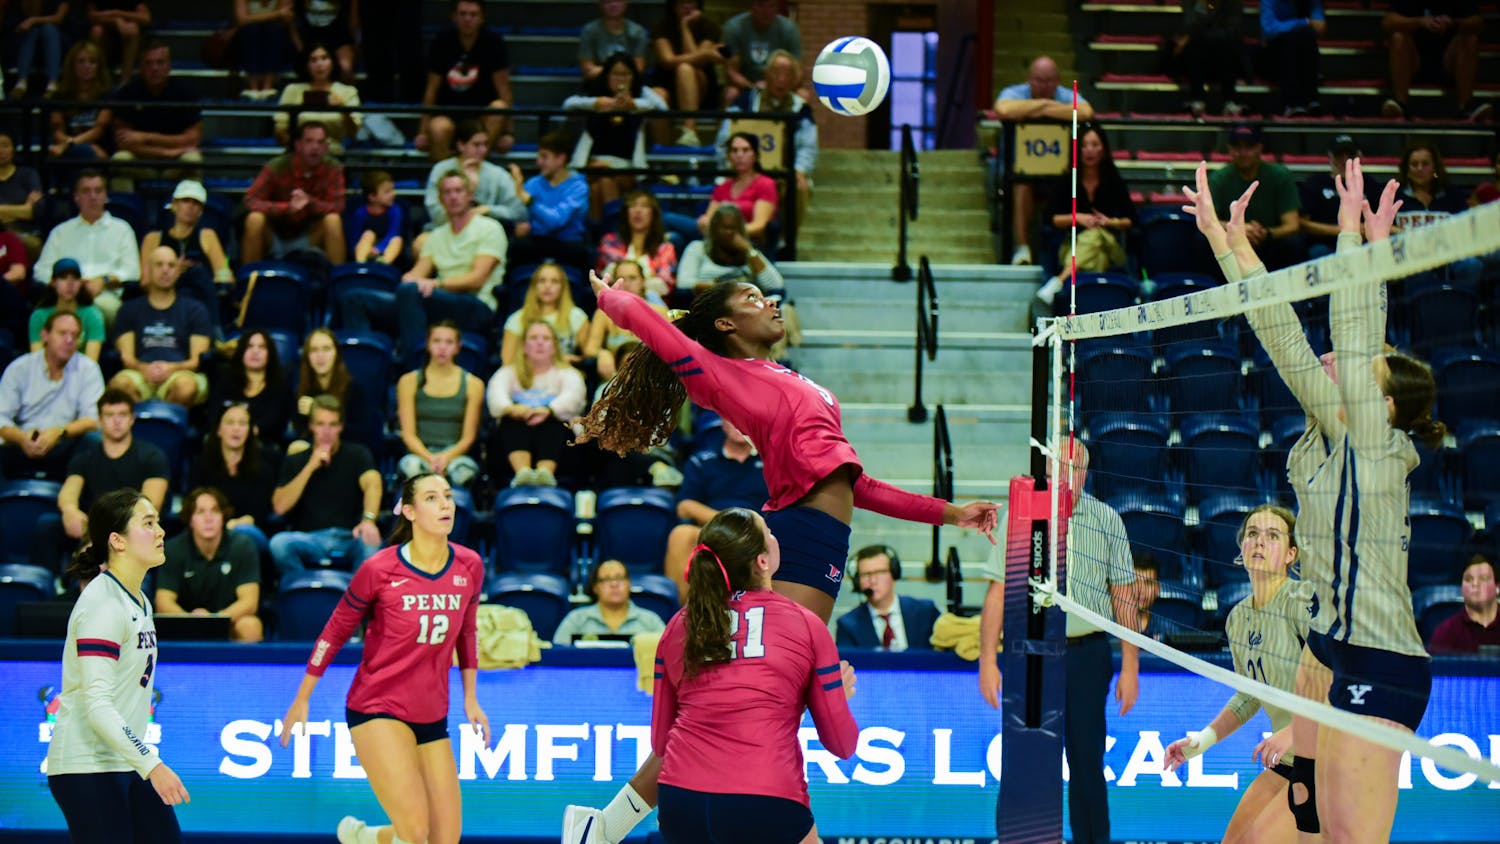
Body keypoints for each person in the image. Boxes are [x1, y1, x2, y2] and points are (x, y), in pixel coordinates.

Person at [563, 270, 997, 844]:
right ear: (725, 325)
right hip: (800, 537)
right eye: (750, 297)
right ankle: (605, 830)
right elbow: (658, 332)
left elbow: (854, 483)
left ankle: (604, 828)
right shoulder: (721, 374)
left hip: (818, 538)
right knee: (751, 704)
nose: (768, 300)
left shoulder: (790, 380)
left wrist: (950, 513)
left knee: (758, 703)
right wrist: (611, 298)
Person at [1186, 157, 1443, 842]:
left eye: (1364, 372)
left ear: (1382, 403)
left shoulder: (1382, 450)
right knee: (1300, 825)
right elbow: (1283, 336)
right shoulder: (1332, 429)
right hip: (1329, 647)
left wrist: (1356, 242)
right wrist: (1228, 244)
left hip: (1382, 663)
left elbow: (1352, 335)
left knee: (1349, 838)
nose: (1340, 364)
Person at [280, 472, 488, 844]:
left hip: (432, 712)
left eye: (447, 496)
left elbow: (467, 633)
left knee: (446, 838)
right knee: (416, 832)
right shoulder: (380, 568)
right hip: (377, 706)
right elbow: (335, 631)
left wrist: (471, 697)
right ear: (408, 511)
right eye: (431, 498)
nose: (445, 504)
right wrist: (302, 697)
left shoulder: (469, 565)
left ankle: (365, 837)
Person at [641, 506, 857, 844]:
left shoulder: (679, 624)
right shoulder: (805, 623)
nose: (775, 536)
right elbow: (842, 745)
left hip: (681, 802)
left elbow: (659, 741)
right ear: (762, 561)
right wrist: (833, 699)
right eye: (769, 532)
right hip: (765, 798)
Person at [976, 439, 1138, 844]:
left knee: (1086, 762)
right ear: (1049, 471)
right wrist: (986, 661)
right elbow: (998, 593)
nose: (1069, 475)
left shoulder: (1106, 519)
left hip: (1087, 656)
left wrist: (1131, 666)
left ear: (1086, 472)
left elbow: (1124, 596)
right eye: (1061, 467)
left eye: (1077, 467)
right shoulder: (1023, 516)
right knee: (1024, 760)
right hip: (1031, 657)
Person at [46, 489, 189, 844]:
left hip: (125, 760)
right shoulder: (102, 604)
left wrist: (143, 761)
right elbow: (97, 705)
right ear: (117, 541)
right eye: (148, 523)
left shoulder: (139, 598)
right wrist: (152, 764)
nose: (161, 532)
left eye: (158, 523)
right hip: (87, 766)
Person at [1162, 504, 1311, 843]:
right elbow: (1249, 693)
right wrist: (1202, 742)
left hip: (1328, 756)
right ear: (1242, 548)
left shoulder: (1302, 601)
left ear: (1291, 554)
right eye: (1253, 534)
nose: (1260, 541)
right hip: (1290, 759)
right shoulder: (1238, 617)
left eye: (1273, 536)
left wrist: (1296, 731)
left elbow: (1338, 680)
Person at [346, 168, 505, 361]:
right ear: (440, 199)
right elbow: (417, 272)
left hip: (476, 305)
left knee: (410, 293)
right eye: (447, 192)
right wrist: (409, 279)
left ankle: (412, 366)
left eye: (458, 191)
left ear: (470, 195)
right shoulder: (437, 236)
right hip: (437, 302)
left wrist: (436, 284)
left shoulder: (489, 228)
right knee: (355, 299)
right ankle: (368, 363)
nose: (453, 197)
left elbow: (477, 279)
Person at [33, 388, 169, 570]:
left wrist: (103, 539)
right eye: (110, 415)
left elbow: (152, 505)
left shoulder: (152, 456)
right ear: (99, 420)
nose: (116, 421)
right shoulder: (84, 458)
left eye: (122, 414)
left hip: (132, 530)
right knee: (47, 526)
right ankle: (48, 589)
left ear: (132, 419)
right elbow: (69, 491)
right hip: (91, 528)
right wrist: (70, 510)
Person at [992, 56, 1094, 265]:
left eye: (1049, 81)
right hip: (1021, 169)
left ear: (1057, 81)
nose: (1044, 85)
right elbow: (1003, 109)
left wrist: (1040, 107)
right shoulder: (1014, 93)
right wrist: (1047, 105)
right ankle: (1022, 249)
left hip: (1060, 170)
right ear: (1030, 79)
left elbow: (1085, 112)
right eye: (1039, 80)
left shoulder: (1064, 95)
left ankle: (1059, 254)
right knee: (1022, 183)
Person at [270, 394, 382, 578]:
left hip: (349, 536)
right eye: (321, 424)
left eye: (333, 424)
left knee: (371, 542)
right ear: (311, 426)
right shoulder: (296, 459)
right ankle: (304, 594)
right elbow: (280, 506)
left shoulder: (357, 454)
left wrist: (368, 520)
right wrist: (310, 467)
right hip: (308, 538)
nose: (326, 431)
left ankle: (356, 603)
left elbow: (373, 484)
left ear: (341, 427)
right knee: (279, 543)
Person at [662, 417, 766, 600]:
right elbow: (684, 506)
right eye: (734, 419)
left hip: (757, 532)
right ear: (723, 425)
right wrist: (729, 521)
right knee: (681, 534)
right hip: (712, 530)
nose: (739, 426)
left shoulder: (771, 462)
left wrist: (750, 525)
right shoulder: (702, 461)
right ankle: (681, 615)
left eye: (743, 419)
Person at [714, 50, 816, 235]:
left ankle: (787, 242)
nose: (782, 79)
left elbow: (807, 146)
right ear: (766, 74)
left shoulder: (800, 109)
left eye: (788, 74)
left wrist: (800, 169)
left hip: (782, 174)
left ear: (795, 79)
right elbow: (724, 138)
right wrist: (727, 167)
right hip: (744, 171)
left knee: (800, 187)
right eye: (777, 73)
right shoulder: (745, 103)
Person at [1036, 123, 1135, 307]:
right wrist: (1078, 218)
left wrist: (1108, 222)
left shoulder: (1113, 180)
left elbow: (1131, 220)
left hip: (1111, 245)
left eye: (1095, 145)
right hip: (1072, 244)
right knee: (1096, 252)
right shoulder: (1067, 180)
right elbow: (1051, 218)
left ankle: (1059, 282)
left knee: (1096, 234)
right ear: (1077, 149)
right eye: (1084, 145)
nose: (1089, 151)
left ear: (1104, 150)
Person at [0, 310, 103, 481]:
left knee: (94, 442)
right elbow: (1, 417)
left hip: (65, 444)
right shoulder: (20, 368)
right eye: (62, 333)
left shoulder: (88, 369)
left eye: (75, 335)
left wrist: (59, 432)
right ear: (45, 335)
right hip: (22, 442)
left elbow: (92, 419)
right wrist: (22, 438)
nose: (69, 340)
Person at [564, 52, 668, 220]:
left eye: (626, 74)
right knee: (597, 186)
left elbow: (662, 106)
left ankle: (606, 232)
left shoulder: (640, 100)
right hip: (594, 164)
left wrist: (634, 104)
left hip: (627, 167)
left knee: (604, 182)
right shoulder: (596, 97)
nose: (621, 80)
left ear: (633, 77)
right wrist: (596, 103)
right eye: (616, 74)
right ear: (607, 75)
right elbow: (568, 104)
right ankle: (605, 233)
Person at [484, 320, 587, 487]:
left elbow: (575, 398)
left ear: (554, 346)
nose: (539, 342)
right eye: (533, 338)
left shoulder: (568, 373)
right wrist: (512, 409)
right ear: (524, 346)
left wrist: (548, 410)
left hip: (561, 442)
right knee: (512, 421)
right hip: (513, 436)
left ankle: (545, 474)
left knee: (554, 421)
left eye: (546, 338)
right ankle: (522, 474)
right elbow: (495, 398)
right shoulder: (508, 372)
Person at [157, 487, 265, 643]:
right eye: (200, 512)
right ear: (190, 519)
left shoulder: (243, 545)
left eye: (214, 511)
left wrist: (214, 620)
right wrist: (192, 621)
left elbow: (249, 602)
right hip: (186, 622)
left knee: (250, 625)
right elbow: (163, 602)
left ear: (223, 516)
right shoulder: (174, 549)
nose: (208, 518)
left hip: (228, 619)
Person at [108, 245, 212, 408]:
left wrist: (170, 369)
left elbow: (196, 360)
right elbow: (126, 358)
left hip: (180, 372)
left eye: (171, 265)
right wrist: (144, 369)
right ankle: (141, 429)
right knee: (120, 385)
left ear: (178, 271)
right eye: (159, 265)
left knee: (185, 387)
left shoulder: (195, 310)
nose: (165, 270)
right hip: (140, 373)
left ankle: (166, 430)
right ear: (148, 270)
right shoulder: (128, 309)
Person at [33, 170, 139, 325]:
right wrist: (69, 283)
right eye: (86, 191)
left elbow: (132, 271)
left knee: (108, 310)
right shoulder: (61, 232)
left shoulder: (122, 229)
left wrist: (103, 281)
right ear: (76, 197)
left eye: (98, 190)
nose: (93, 196)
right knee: (40, 315)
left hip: (105, 295)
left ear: (106, 195)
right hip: (64, 296)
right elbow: (41, 271)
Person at [242, 120, 348, 265]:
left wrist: (311, 203)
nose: (315, 147)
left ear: (326, 147)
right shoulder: (276, 167)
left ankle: (338, 281)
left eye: (320, 142)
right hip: (275, 235)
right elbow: (250, 200)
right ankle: (248, 280)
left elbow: (338, 205)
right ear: (298, 145)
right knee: (254, 218)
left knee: (333, 220)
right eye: (309, 141)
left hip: (311, 236)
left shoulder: (334, 169)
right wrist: (286, 208)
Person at [419, 0, 514, 161]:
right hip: (448, 113)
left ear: (482, 18)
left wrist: (508, 133)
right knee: (438, 127)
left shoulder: (493, 42)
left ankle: (477, 169)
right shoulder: (442, 41)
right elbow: (431, 89)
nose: (468, 19)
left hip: (481, 115)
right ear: (454, 17)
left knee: (499, 107)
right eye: (463, 14)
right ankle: (446, 179)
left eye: (473, 14)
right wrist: (422, 131)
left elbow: (504, 90)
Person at [101, 41, 205, 186]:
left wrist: (144, 137)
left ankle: (189, 208)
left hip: (174, 163)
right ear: (141, 67)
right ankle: (124, 207)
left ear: (169, 66)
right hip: (142, 163)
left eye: (160, 62)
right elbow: (123, 143)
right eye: (149, 63)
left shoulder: (186, 93)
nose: (154, 68)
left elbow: (192, 139)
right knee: (121, 159)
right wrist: (167, 152)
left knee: (193, 159)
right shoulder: (127, 93)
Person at [139, 179, 233, 336]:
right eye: (186, 201)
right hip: (164, 295)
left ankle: (213, 330)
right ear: (175, 205)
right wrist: (175, 273)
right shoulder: (153, 239)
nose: (191, 207)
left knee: (198, 274)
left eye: (196, 203)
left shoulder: (208, 236)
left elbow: (224, 276)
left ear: (201, 210)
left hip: (199, 298)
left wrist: (223, 275)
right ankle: (217, 334)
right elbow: (145, 282)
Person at [396, 322, 484, 488]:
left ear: (458, 347)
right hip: (419, 454)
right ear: (428, 344)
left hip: (455, 456)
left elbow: (468, 437)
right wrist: (430, 458)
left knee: (463, 472)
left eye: (449, 342)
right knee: (412, 468)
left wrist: (445, 458)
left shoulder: (473, 384)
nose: (442, 347)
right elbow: (408, 434)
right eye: (437, 341)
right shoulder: (408, 382)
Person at [189, 402, 282, 556]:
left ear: (250, 431)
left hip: (250, 535)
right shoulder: (201, 466)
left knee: (243, 533)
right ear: (219, 429)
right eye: (230, 422)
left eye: (242, 423)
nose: (236, 429)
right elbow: (193, 503)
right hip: (210, 528)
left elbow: (257, 514)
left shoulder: (263, 470)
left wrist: (233, 525)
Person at [1210, 123, 1305, 271]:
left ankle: (1293, 291)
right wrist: (1239, 230)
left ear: (1259, 148)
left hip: (1269, 241)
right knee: (1202, 240)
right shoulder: (1218, 179)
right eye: (1237, 147)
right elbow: (1209, 221)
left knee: (1294, 243)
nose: (1242, 152)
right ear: (1229, 149)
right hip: (1230, 244)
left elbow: (1292, 225)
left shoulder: (1280, 175)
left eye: (1248, 147)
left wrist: (1266, 233)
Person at [1393, 139, 1482, 292]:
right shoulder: (1395, 195)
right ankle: (1420, 313)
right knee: (1419, 268)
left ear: (1434, 167)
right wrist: (1406, 233)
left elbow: (1466, 226)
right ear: (1407, 169)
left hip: (1449, 252)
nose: (1420, 169)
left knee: (1472, 265)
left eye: (1425, 164)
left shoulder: (1452, 195)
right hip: (1410, 254)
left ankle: (1459, 308)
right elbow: (1380, 225)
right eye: (1414, 164)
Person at [1381, 0, 1490, 121]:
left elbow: (1478, 22)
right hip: (1414, 61)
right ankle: (1401, 104)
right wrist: (1420, 22)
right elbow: (1388, 22)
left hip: (1449, 62)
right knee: (1398, 37)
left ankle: (1466, 107)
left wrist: (1454, 23)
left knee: (1470, 38)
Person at [420, 121, 527, 242]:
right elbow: (434, 208)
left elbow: (518, 211)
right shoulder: (441, 170)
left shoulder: (498, 174)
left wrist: (489, 210)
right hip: (444, 229)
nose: (482, 150)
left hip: (484, 234)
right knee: (421, 242)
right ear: (461, 145)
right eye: (476, 145)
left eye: (485, 144)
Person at [507, 131, 594, 274]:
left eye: (544, 157)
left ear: (560, 158)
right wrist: (518, 224)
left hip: (568, 244)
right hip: (537, 240)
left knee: (579, 252)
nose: (538, 162)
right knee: (517, 246)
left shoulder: (579, 187)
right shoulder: (533, 184)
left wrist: (529, 201)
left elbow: (556, 221)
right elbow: (517, 213)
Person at [835, 544, 940, 651]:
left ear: (894, 574)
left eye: (880, 572)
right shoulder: (848, 625)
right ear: (857, 582)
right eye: (866, 574)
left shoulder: (926, 612)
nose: (873, 581)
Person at [650, 0, 725, 145]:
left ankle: (689, 131)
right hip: (668, 85)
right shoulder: (662, 27)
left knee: (685, 68)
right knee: (657, 95)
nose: (687, 6)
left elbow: (699, 63)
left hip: (700, 86)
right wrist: (707, 54)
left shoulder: (709, 27)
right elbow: (667, 60)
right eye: (682, 3)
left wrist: (685, 28)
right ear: (674, 5)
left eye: (691, 2)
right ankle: (664, 154)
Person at [1299, 134, 1380, 259]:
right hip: (1325, 245)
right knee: (1319, 253)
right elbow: (1303, 223)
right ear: (1330, 156)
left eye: (1350, 155)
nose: (1345, 160)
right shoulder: (1315, 183)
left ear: (1359, 156)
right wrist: (1345, 231)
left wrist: (1368, 227)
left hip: (1364, 244)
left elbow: (1381, 218)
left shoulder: (1371, 184)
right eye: (1339, 155)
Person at [274, 41, 364, 152]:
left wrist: (343, 109)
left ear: (333, 63)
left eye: (324, 58)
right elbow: (280, 131)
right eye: (313, 60)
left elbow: (354, 134)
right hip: (298, 152)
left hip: (332, 152)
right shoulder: (292, 90)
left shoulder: (347, 91)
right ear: (306, 65)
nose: (319, 64)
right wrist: (300, 147)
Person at [553, 559, 667, 645]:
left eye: (620, 578)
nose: (614, 584)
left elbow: (667, 656)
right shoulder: (576, 620)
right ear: (595, 587)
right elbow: (558, 656)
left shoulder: (651, 621)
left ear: (629, 584)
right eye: (606, 579)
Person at [210, 329, 293, 443]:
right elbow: (214, 414)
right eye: (250, 346)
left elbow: (276, 421)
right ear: (242, 351)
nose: (255, 351)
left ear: (270, 353)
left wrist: (245, 434)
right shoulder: (226, 380)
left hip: (264, 444)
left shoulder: (280, 384)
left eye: (262, 347)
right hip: (226, 442)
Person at [582, 260, 662, 379]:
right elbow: (590, 349)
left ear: (643, 282)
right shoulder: (603, 313)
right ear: (614, 282)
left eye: (632, 278)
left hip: (652, 377)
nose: (627, 283)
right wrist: (602, 353)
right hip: (614, 378)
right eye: (621, 278)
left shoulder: (660, 312)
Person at [678, 204, 784, 294]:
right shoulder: (698, 248)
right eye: (724, 228)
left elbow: (776, 286)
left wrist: (749, 251)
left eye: (733, 228)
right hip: (710, 303)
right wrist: (723, 289)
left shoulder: (750, 252)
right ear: (714, 229)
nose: (729, 233)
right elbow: (683, 283)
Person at [500, 261, 590, 366]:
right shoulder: (517, 319)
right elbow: (507, 363)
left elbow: (589, 359)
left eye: (554, 281)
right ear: (534, 286)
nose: (547, 286)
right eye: (542, 281)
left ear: (563, 287)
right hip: (526, 377)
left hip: (564, 376)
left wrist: (574, 361)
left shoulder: (577, 316)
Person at [290, 328, 367, 448]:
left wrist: (317, 410)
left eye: (326, 349)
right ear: (307, 356)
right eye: (314, 350)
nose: (320, 356)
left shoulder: (353, 388)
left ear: (337, 353)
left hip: (345, 449)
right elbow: (300, 432)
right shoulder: (302, 390)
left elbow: (362, 432)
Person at [698, 132, 777, 243]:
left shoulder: (765, 184)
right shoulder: (723, 186)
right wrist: (705, 223)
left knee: (670, 220)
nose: (739, 155)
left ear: (755, 155)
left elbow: (759, 226)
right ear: (729, 156)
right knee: (677, 238)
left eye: (745, 150)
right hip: (718, 241)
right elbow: (709, 218)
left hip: (746, 241)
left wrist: (727, 232)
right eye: (735, 151)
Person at [720, 0, 803, 105]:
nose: (766, 11)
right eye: (760, 5)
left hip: (780, 85)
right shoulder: (732, 28)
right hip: (745, 87)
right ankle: (727, 122)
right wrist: (752, 86)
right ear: (751, 6)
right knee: (731, 94)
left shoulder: (790, 29)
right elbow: (731, 71)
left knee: (802, 95)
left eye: (771, 6)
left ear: (777, 8)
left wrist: (777, 86)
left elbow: (798, 72)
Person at [597, 189, 678, 297]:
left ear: (653, 213)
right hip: (616, 299)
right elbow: (606, 277)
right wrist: (649, 277)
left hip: (652, 302)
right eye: (633, 205)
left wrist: (625, 278)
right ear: (626, 212)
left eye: (644, 206)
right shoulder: (610, 242)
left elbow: (665, 286)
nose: (638, 210)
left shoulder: (665, 248)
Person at [1174, 0, 1247, 117]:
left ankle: (1229, 100)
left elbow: (1234, 27)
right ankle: (1197, 98)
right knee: (1195, 44)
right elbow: (1191, 24)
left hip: (1223, 53)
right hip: (1197, 53)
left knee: (1227, 44)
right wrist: (1206, 4)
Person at [48, 41, 115, 162]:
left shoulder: (108, 94)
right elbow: (57, 131)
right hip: (68, 151)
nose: (87, 66)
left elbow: (99, 130)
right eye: (81, 61)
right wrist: (72, 145)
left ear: (99, 66)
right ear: (72, 65)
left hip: (99, 150)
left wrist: (69, 144)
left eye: (92, 62)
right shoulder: (59, 95)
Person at [29, 259, 106, 361]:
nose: (70, 283)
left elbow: (91, 361)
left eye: (75, 278)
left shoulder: (93, 315)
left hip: (82, 372)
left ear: (81, 283)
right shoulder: (39, 316)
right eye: (63, 278)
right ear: (53, 283)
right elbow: (37, 359)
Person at [1259, 0, 1324, 115]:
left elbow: (1319, 25)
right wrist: (1303, 22)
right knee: (1294, 37)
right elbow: (1268, 29)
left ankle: (1311, 99)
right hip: (1273, 55)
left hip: (1303, 52)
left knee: (1305, 35)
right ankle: (1293, 102)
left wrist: (1305, 26)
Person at [1427, 553, 1500, 654]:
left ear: (1497, 587)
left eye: (1483, 578)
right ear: (1462, 588)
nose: (1475, 584)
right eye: (1468, 579)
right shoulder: (1446, 633)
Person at [233, 0, 295, 100]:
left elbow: (286, 17)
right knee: (252, 30)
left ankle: (268, 86)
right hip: (248, 35)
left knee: (275, 30)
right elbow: (241, 19)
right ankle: (253, 87)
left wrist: (255, 18)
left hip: (275, 35)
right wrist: (276, 14)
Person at [7, 0, 69, 99]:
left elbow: (58, 18)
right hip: (29, 38)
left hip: (57, 38)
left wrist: (34, 20)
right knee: (32, 31)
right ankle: (21, 82)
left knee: (48, 29)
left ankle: (52, 82)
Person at [288, 0, 358, 83]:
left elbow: (353, 22)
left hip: (339, 38)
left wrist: (354, 48)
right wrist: (302, 50)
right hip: (308, 40)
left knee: (345, 68)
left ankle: (345, 94)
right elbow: (290, 22)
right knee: (310, 66)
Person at [580, 0, 650, 79]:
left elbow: (638, 69)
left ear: (625, 3)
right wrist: (622, 72)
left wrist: (603, 70)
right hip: (597, 84)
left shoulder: (638, 32)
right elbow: (588, 71)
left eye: (618, 1)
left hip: (630, 85)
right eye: (608, 2)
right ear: (600, 4)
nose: (613, 5)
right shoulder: (589, 31)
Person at [0, 130, 43, 253]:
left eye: (5, 146)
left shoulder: (28, 175)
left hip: (23, 233)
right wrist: (22, 208)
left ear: (13, 149)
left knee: (33, 245)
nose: (1, 150)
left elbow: (32, 212)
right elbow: (25, 210)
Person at [350, 170, 405, 266]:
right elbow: (355, 237)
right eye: (387, 192)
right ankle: (360, 265)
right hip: (367, 248)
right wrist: (363, 249)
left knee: (397, 240)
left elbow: (393, 233)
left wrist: (379, 248)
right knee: (368, 234)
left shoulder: (395, 211)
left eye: (392, 190)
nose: (393, 194)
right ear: (372, 197)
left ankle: (382, 265)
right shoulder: (361, 213)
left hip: (385, 248)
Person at [87, 0, 150, 82]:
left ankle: (124, 83)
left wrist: (118, 13)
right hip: (105, 37)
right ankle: (99, 79)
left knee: (132, 29)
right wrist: (115, 21)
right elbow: (91, 16)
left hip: (127, 36)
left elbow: (145, 18)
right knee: (97, 31)